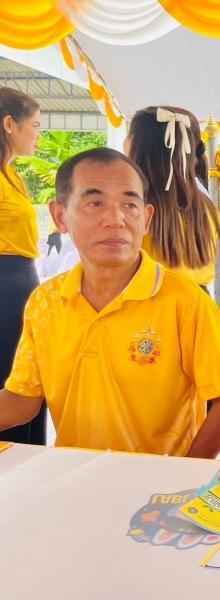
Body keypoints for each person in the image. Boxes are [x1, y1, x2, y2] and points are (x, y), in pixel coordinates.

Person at [0, 147, 220, 457]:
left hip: (157, 481)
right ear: (59, 216)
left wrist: (186, 473)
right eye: (95, 203)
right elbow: (22, 401)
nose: (115, 220)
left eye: (130, 205)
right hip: (73, 473)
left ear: (147, 218)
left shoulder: (186, 302)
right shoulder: (46, 302)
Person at [125, 106, 219, 290]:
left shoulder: (132, 206)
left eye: (129, 134)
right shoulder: (207, 204)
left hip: (150, 301)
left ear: (138, 145)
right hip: (198, 301)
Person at [0, 87, 47, 445]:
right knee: (10, 379)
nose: (38, 136)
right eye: (35, 126)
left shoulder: (11, 175)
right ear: (9, 124)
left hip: (21, 286)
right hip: (4, 289)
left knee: (29, 380)